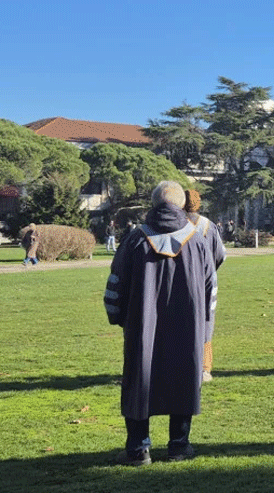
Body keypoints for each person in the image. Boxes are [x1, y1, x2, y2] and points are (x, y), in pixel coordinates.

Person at [104, 181, 217, 465]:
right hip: (187, 328)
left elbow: (115, 285)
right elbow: (210, 291)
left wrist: (117, 317)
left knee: (139, 381)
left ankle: (138, 449)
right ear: (181, 205)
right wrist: (205, 328)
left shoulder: (135, 240)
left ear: (153, 204)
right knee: (184, 379)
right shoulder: (198, 241)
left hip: (143, 327)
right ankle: (179, 445)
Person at [184, 189, 227, 383]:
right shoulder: (208, 226)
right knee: (206, 323)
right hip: (207, 283)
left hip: (182, 282)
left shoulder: (178, 226)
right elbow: (221, 255)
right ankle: (204, 368)